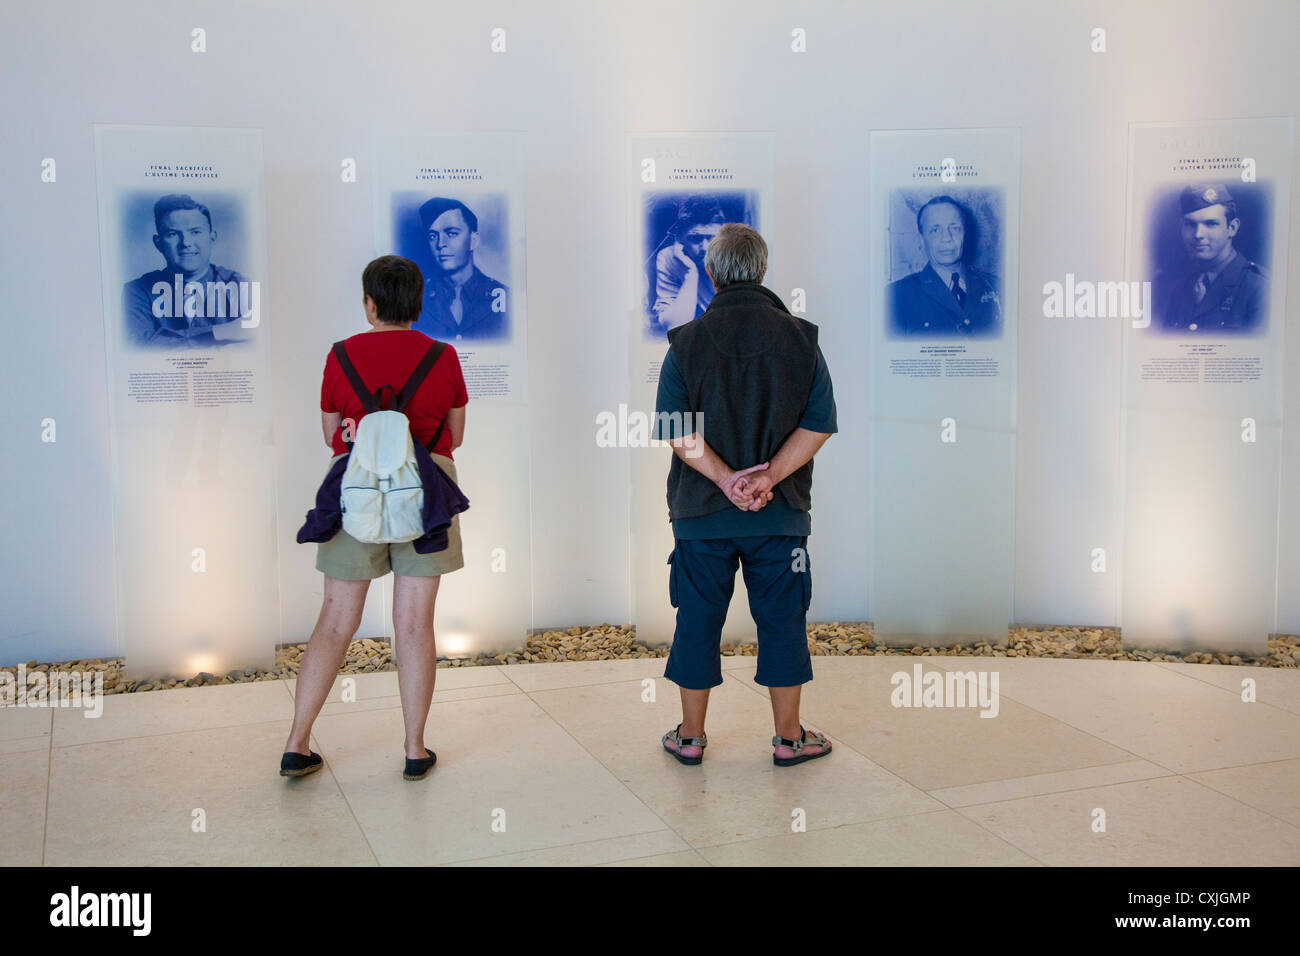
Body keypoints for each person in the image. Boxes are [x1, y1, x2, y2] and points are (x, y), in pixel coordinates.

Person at [652, 222, 838, 768]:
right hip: (779, 517)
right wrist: (765, 479)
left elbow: (675, 428)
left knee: (697, 619)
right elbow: (819, 424)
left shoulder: (685, 343)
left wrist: (725, 480)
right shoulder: (803, 339)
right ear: (761, 270)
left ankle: (690, 738)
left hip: (700, 516)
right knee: (783, 620)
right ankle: (789, 739)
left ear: (711, 274)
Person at [282, 255, 468, 781]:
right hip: (427, 493)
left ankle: (297, 744)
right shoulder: (443, 355)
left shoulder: (341, 355)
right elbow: (456, 432)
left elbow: (330, 435)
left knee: (335, 620)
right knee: (413, 625)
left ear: (369, 303)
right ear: (418, 302)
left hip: (355, 492)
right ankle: (413, 750)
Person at [122, 194, 253, 348]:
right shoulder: (137, 291)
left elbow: (258, 345)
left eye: (195, 232)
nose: (186, 243)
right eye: (173, 234)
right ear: (158, 244)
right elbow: (138, 347)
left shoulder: (241, 285)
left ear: (212, 238)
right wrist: (219, 333)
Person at [1153, 183, 1268, 333]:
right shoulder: (1182, 289)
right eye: (1190, 224)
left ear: (1232, 228)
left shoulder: (1260, 288)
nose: (1198, 234)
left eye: (1211, 224)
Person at [886, 195, 1001, 337]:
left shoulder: (995, 286)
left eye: (955, 228)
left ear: (965, 234)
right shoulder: (896, 297)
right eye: (935, 230)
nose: (947, 238)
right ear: (921, 240)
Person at [416, 197, 508, 342]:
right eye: (433, 236)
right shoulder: (414, 299)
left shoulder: (505, 298)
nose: (441, 244)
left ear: (473, 240)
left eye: (451, 233)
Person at [649, 195, 726, 334]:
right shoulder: (669, 257)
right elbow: (675, 327)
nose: (705, 247)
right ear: (679, 238)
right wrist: (691, 274)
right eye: (695, 238)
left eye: (712, 238)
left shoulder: (733, 255)